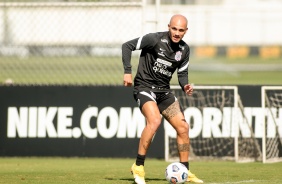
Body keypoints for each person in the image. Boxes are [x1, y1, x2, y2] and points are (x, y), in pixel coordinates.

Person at [121, 14, 203, 184]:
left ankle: (185, 172)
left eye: (181, 30)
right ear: (168, 27)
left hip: (164, 92)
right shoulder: (154, 39)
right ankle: (138, 166)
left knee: (183, 127)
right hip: (144, 88)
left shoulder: (184, 50)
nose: (177, 33)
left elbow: (182, 74)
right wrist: (127, 71)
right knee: (154, 121)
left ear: (186, 31)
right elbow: (127, 46)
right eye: (174, 29)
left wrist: (185, 85)